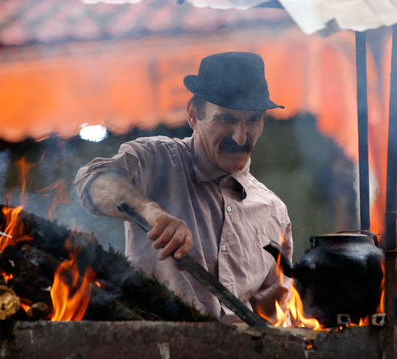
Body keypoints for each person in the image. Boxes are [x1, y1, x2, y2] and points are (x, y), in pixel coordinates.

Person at [75, 51, 293, 323]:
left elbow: (277, 315)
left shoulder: (274, 212)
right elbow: (93, 181)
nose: (240, 137)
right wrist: (150, 211)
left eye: (253, 121)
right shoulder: (156, 160)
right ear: (193, 115)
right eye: (225, 119)